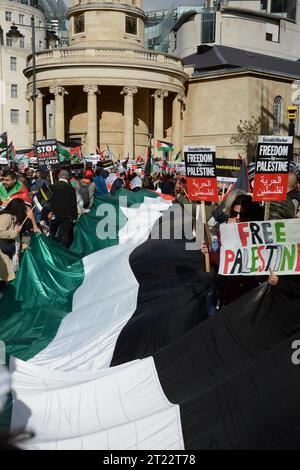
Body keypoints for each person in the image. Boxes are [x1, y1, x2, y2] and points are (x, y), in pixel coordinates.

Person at [49, 170, 78, 248]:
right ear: (68, 178)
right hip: (67, 215)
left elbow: (48, 201)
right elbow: (73, 204)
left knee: (53, 233)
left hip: (54, 214)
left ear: (59, 177)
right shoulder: (71, 189)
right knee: (65, 235)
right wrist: (75, 217)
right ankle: (64, 251)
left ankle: (52, 249)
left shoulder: (52, 187)